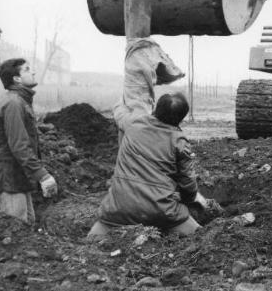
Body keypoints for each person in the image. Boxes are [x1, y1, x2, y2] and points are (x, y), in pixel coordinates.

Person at [88, 92, 209, 238]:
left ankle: (94, 236)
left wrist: (121, 101)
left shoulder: (132, 124)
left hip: (118, 208)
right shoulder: (179, 141)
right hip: (161, 211)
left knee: (95, 235)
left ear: (156, 109)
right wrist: (188, 201)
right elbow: (188, 184)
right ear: (180, 119)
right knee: (201, 237)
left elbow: (119, 114)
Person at [0, 58, 58, 224]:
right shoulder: (14, 104)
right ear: (17, 79)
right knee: (16, 236)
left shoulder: (20, 101)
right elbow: (19, 146)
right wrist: (43, 176)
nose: (33, 72)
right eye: (27, 69)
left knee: (28, 229)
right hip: (8, 179)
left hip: (17, 178)